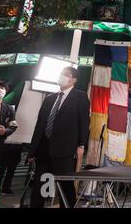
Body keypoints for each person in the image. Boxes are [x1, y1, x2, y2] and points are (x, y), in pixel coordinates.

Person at [28, 67, 90, 208]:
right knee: (40, 185)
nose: (61, 76)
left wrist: (81, 145)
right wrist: (32, 150)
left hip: (65, 150)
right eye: (61, 73)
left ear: (73, 79)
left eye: (66, 75)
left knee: (65, 186)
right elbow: (40, 125)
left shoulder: (80, 97)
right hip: (43, 148)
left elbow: (84, 122)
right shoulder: (50, 98)